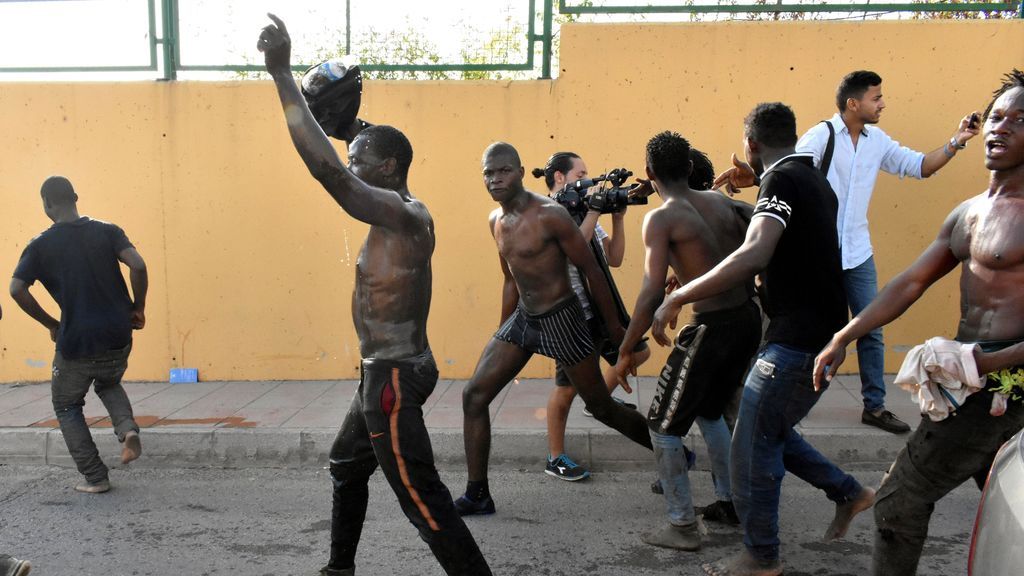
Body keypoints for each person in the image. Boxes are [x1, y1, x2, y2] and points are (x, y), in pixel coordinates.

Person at [258, 15, 491, 576]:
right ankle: (339, 568)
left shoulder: (400, 214)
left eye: (360, 161)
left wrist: (282, 76)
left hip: (394, 378)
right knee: (346, 464)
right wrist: (338, 112)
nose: (351, 165)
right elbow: (353, 147)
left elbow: (332, 175)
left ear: (387, 168)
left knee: (422, 500)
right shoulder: (393, 197)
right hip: (381, 372)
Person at [814, 69, 1024, 576]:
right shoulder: (969, 213)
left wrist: (989, 362)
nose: (1000, 127)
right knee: (1007, 501)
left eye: (1019, 120)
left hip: (1003, 386)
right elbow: (909, 283)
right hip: (972, 381)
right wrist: (845, 335)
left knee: (898, 501)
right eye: (997, 117)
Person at [655, 103, 875, 576]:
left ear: (751, 143)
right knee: (768, 431)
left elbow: (755, 251)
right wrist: (756, 182)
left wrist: (679, 296)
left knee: (752, 448)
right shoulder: (812, 179)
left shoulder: (781, 181)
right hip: (815, 332)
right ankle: (849, 492)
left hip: (794, 339)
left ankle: (761, 556)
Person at [715, 71, 980, 434]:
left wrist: (957, 141)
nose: (882, 104)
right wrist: (758, 176)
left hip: (857, 252)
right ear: (853, 103)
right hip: (818, 253)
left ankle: (875, 406)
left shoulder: (877, 141)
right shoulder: (820, 137)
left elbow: (919, 166)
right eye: (876, 98)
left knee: (871, 327)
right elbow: (792, 176)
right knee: (795, 324)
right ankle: (783, 394)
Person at [455, 141, 653, 516]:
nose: (495, 179)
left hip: (563, 318)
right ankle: (477, 494)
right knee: (474, 396)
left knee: (601, 407)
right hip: (525, 319)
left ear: (519, 171)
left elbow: (593, 271)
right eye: (488, 173)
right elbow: (511, 280)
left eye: (503, 171)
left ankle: (674, 453)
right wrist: (502, 331)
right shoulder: (495, 220)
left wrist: (618, 334)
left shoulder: (550, 215)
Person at [614, 131, 761, 551]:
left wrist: (626, 348)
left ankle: (681, 526)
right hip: (748, 320)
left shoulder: (661, 219)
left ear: (649, 172)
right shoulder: (723, 202)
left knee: (662, 427)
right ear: (691, 167)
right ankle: (730, 503)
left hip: (711, 327)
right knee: (711, 413)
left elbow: (650, 292)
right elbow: (763, 230)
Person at [10, 176, 146, 495]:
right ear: (75, 196)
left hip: (77, 340)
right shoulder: (108, 230)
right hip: (118, 333)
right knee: (108, 382)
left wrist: (50, 324)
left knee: (67, 405)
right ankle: (127, 431)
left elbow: (16, 289)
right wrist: (138, 307)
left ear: (46, 204)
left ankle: (95, 476)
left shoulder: (40, 245)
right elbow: (138, 265)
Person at [531, 151, 650, 482]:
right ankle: (555, 457)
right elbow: (573, 250)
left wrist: (618, 217)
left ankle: (597, 402)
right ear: (559, 177)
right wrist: (595, 211)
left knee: (638, 351)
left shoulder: (584, 212)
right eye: (581, 174)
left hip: (600, 310)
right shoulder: (548, 213)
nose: (587, 179)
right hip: (571, 316)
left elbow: (614, 257)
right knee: (566, 389)